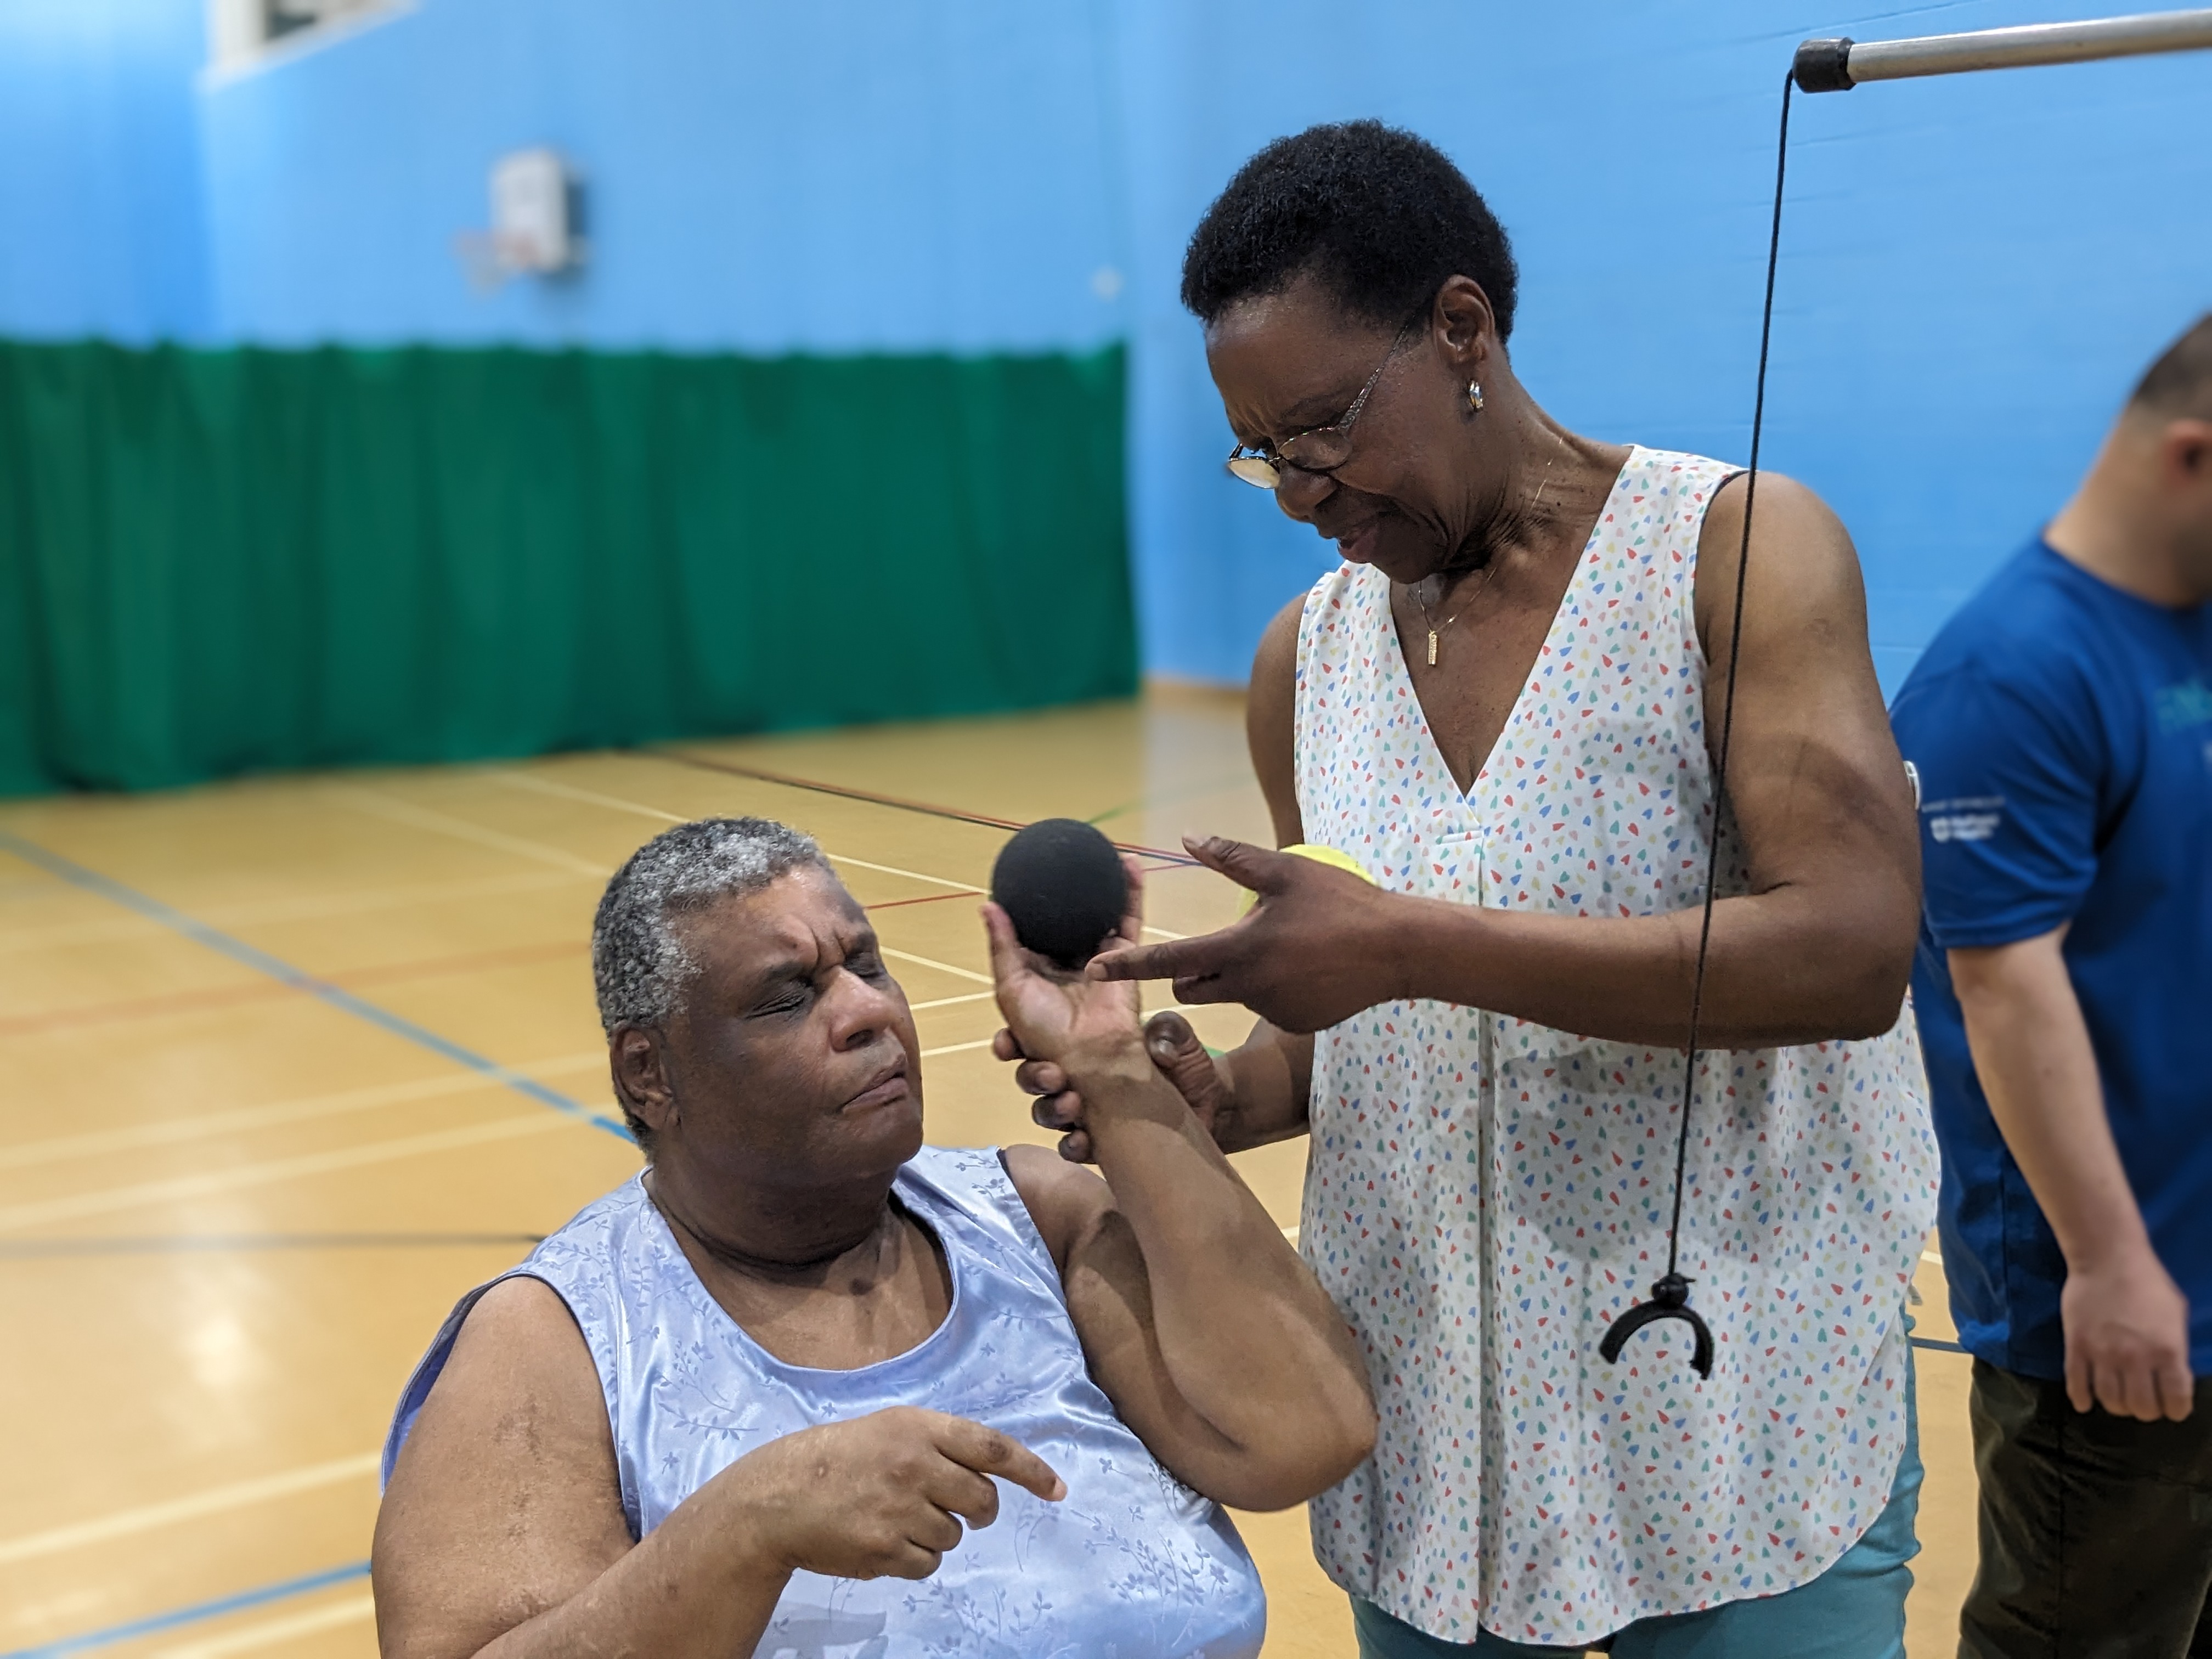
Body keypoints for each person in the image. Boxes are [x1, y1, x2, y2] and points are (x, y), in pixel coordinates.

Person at [1008, 122, 1939, 1656]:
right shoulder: (1304, 660)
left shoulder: (1734, 556)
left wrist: (1406, 946)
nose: (1301, 493)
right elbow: (1337, 1025)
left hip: (1730, 1397)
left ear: (1461, 331)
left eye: (1324, 429)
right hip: (1437, 1435)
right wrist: (1210, 1098)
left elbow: (1848, 953)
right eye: (1264, 453)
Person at [370, 815, 1376, 1659]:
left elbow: (1308, 1434)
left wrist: (1115, 1074)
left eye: (866, 965)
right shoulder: (553, 1337)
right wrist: (748, 1524)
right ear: (649, 1074)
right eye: (787, 997)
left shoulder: (1031, 1217)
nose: (866, 1013)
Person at [1887, 314, 2212, 1658]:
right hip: (2111, 1302)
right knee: (2087, 1632)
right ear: (2193, 458)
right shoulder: (2007, 674)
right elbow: (2007, 988)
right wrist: (2113, 1263)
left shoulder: (2186, 629)